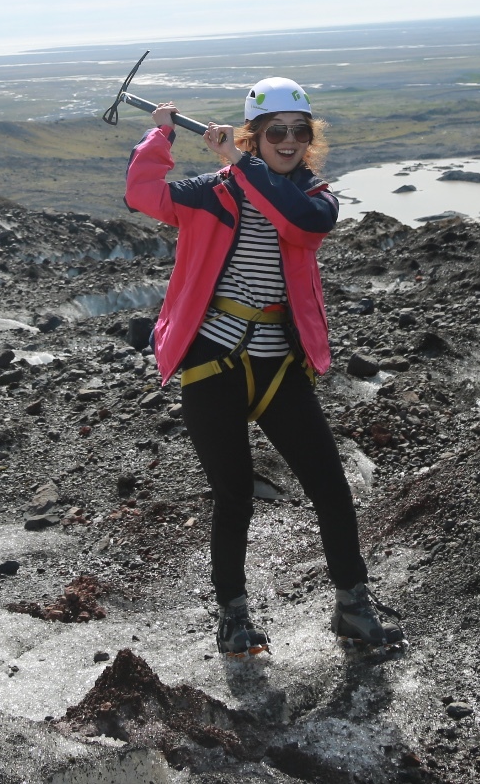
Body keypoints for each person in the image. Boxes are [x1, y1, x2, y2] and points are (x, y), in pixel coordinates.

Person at [126, 77, 401, 657]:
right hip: (212, 363)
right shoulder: (212, 192)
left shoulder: (315, 196)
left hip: (279, 367)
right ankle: (233, 619)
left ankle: (353, 609)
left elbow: (300, 224)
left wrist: (241, 163)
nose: (290, 140)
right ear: (255, 134)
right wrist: (161, 134)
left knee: (330, 489)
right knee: (234, 498)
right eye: (275, 130)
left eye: (300, 131)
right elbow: (143, 193)